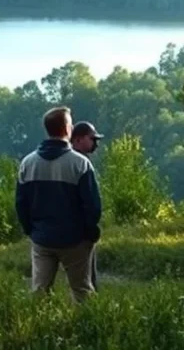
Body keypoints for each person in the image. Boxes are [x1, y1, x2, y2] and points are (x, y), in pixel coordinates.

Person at [15, 106, 102, 303]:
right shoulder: (80, 164)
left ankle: (35, 330)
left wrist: (31, 230)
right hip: (75, 240)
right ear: (67, 129)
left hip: (42, 239)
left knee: (39, 291)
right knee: (82, 291)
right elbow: (93, 206)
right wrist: (89, 232)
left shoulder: (28, 163)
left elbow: (21, 204)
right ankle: (84, 330)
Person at [70, 120, 104, 289]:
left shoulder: (81, 161)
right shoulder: (79, 163)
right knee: (86, 281)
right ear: (77, 140)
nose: (95, 144)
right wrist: (91, 228)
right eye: (92, 139)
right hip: (80, 232)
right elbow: (91, 203)